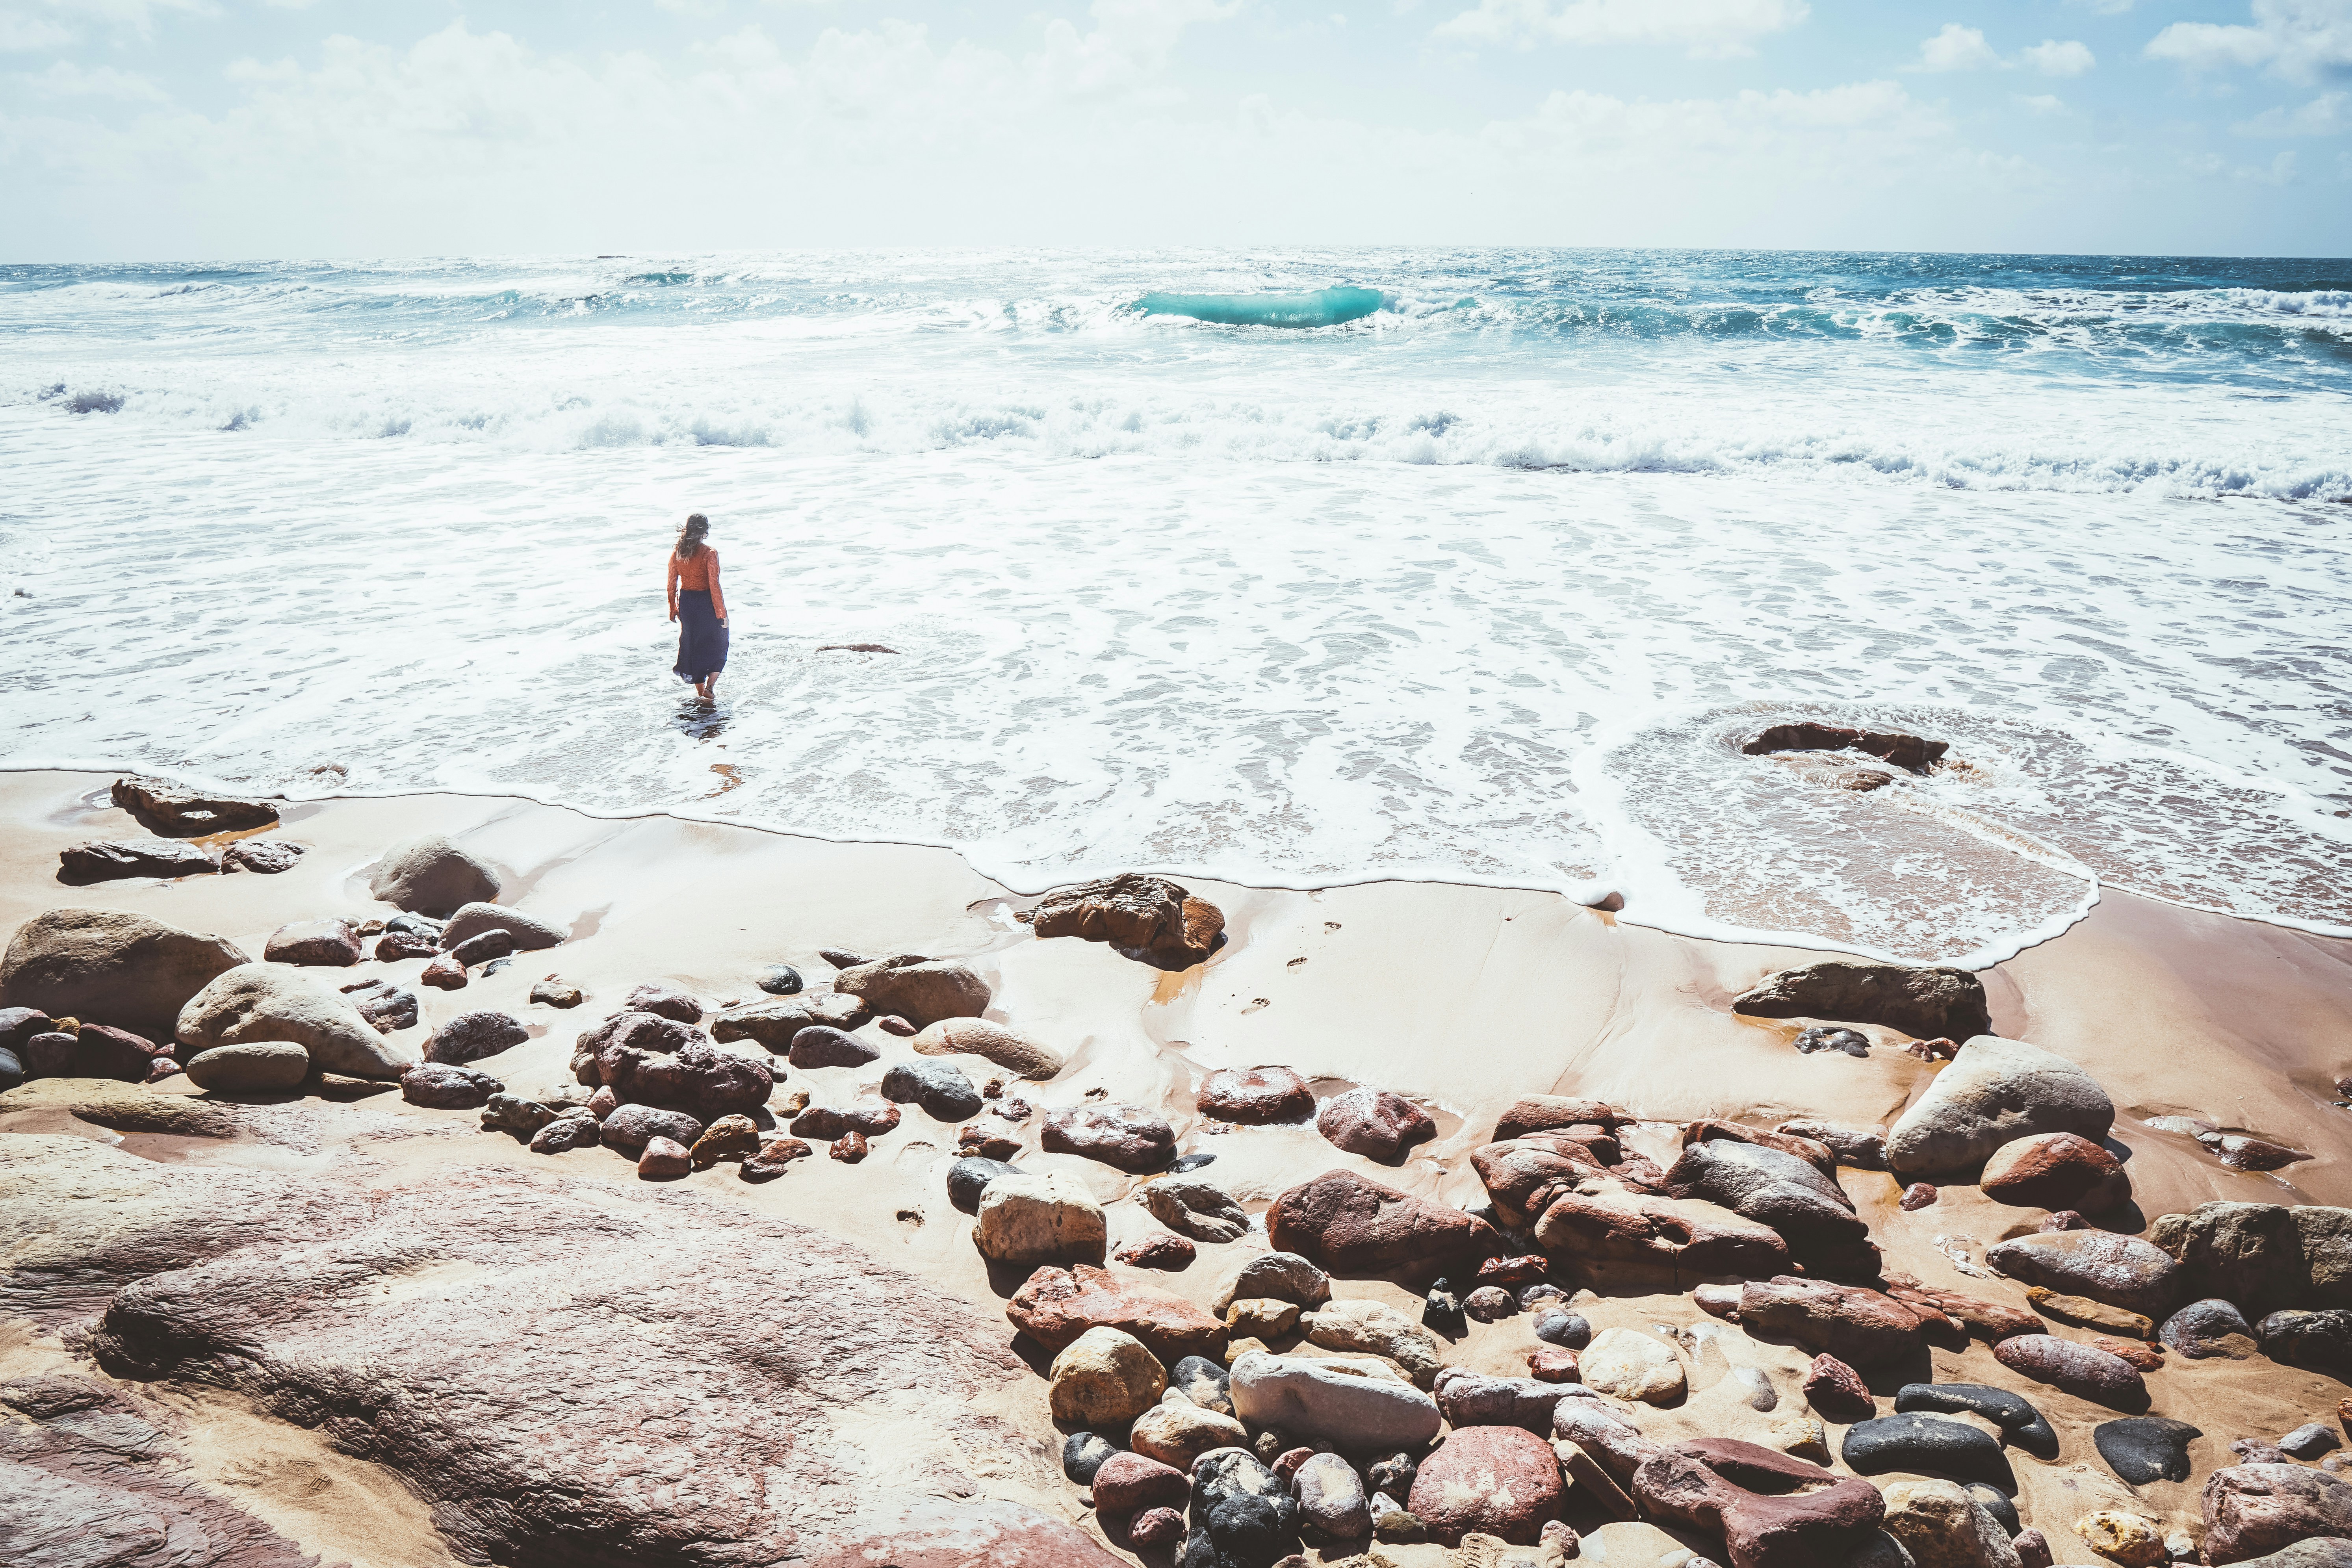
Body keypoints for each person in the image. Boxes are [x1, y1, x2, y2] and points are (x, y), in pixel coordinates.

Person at [666, 513, 728, 703]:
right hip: (706, 602)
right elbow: (714, 585)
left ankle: (701, 694)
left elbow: (671, 582)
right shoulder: (709, 553)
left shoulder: (678, 553)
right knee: (720, 642)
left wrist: (673, 608)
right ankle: (710, 687)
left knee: (693, 646)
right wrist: (722, 614)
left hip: (687, 603)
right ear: (705, 531)